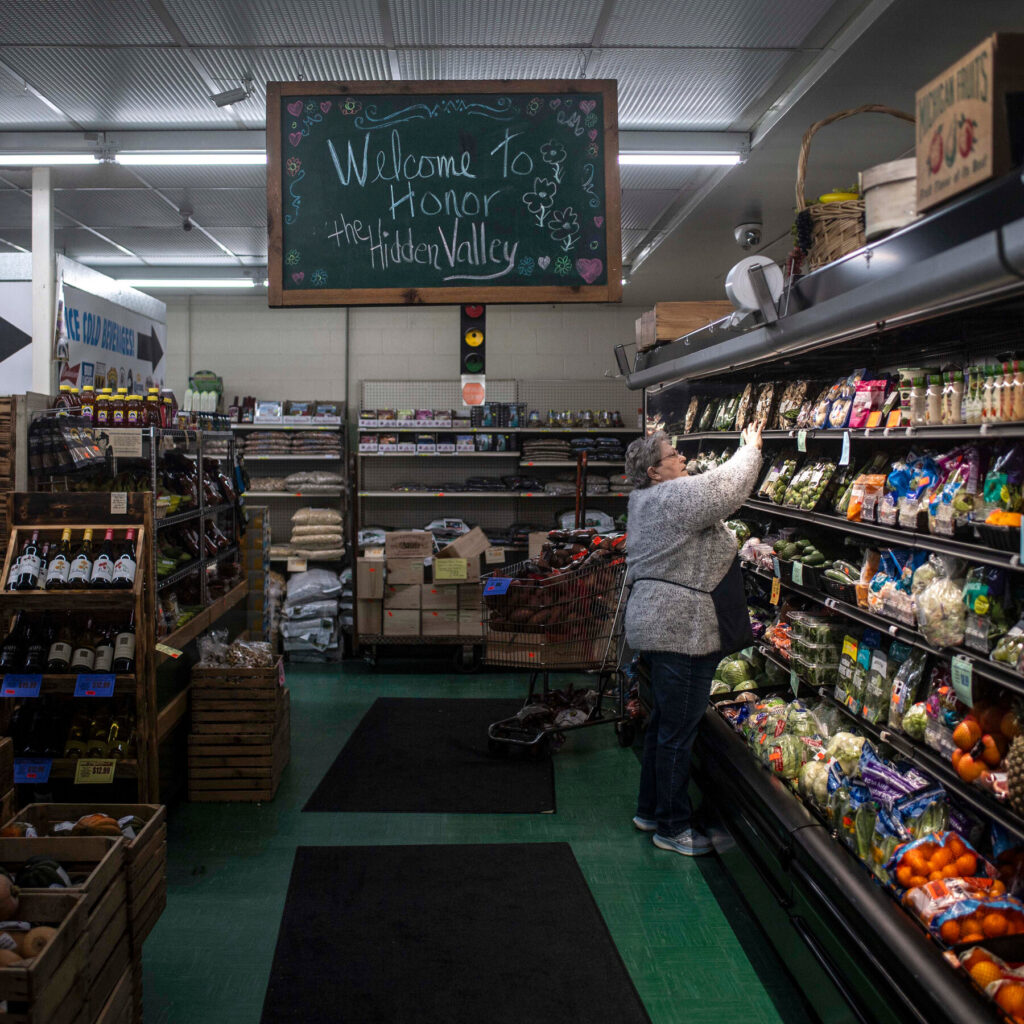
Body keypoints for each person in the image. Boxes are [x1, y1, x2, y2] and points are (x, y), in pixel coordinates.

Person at [623, 422, 764, 856]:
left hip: (657, 620)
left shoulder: (646, 499)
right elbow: (725, 488)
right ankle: (673, 827)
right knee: (677, 733)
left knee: (664, 724)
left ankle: (650, 810)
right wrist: (750, 449)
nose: (682, 458)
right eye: (673, 455)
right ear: (654, 472)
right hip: (679, 627)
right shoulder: (670, 497)